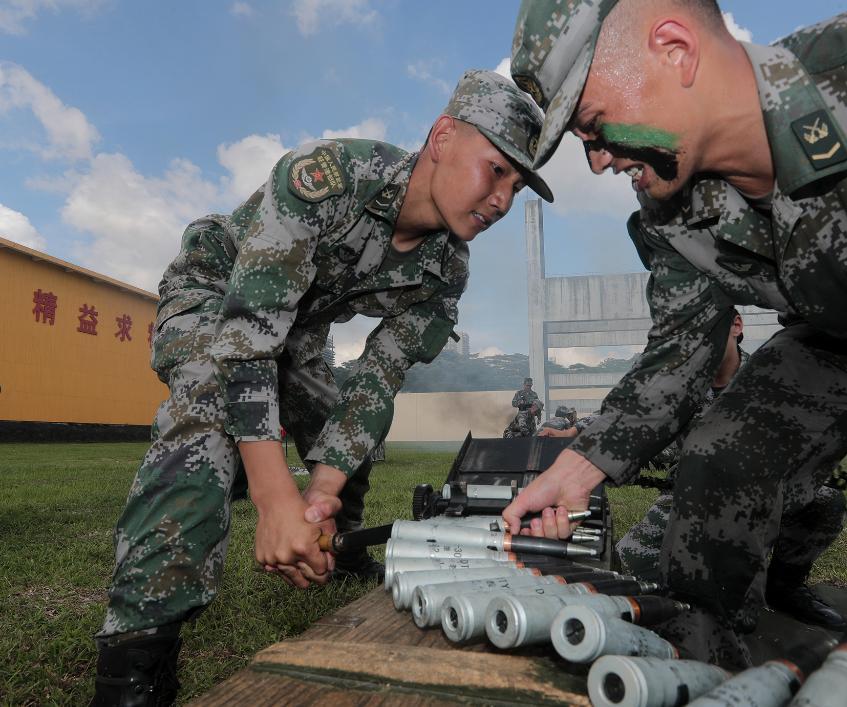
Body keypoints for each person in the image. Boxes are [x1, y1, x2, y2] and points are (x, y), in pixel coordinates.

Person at [504, 0, 847, 677]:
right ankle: (699, 665)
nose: (598, 161)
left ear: (674, 48)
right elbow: (679, 354)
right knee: (721, 455)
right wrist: (575, 473)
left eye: (595, 127)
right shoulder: (668, 210)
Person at [92, 69, 553, 706]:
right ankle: (134, 657)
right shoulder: (326, 177)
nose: (503, 199)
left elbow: (376, 381)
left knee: (346, 421)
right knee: (209, 412)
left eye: (517, 184)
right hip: (216, 300)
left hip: (297, 332)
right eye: (496, 169)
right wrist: (275, 495)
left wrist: (317, 498)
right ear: (442, 137)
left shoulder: (446, 269)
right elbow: (247, 337)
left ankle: (337, 537)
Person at [615, 312, 847, 631]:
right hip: (692, 494)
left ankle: (785, 588)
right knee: (627, 578)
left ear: (736, 326)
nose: (694, 343)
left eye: (704, 328)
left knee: (826, 502)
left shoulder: (781, 372)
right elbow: (624, 420)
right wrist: (575, 436)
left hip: (769, 492)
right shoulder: (676, 381)